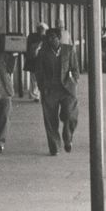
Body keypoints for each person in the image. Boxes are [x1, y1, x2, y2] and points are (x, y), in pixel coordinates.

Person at [33, 24, 80, 155]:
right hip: (50, 90)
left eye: (53, 38)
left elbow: (75, 69)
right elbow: (38, 71)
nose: (51, 40)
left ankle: (68, 137)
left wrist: (74, 81)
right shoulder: (43, 53)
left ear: (59, 38)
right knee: (50, 120)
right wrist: (42, 87)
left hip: (67, 90)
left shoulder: (69, 50)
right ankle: (54, 147)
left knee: (70, 115)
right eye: (48, 38)